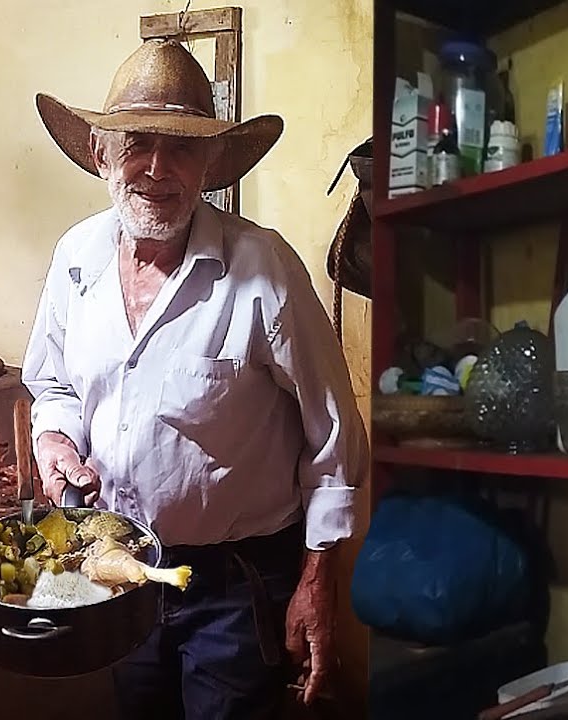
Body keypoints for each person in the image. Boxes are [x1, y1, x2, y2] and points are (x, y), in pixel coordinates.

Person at [23, 39, 369, 719]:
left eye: (181, 147)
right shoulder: (76, 258)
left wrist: (318, 582)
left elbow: (334, 433)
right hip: (115, 568)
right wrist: (56, 444)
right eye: (137, 143)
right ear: (100, 153)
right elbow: (54, 385)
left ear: (210, 163)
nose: (156, 168)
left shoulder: (262, 269)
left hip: (233, 590)